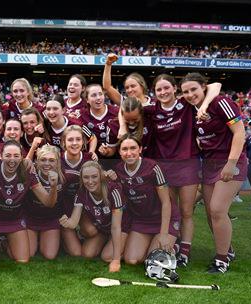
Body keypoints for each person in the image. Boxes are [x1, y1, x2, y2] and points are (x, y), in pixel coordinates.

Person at [150, 74, 220, 267]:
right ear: (154, 93)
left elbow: (215, 85)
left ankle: (185, 252)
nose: (163, 92)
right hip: (164, 167)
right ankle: (176, 245)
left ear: (175, 89)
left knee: (186, 211)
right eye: (159, 90)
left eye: (166, 88)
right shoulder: (152, 109)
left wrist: (204, 106)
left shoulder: (187, 104)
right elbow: (125, 107)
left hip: (187, 164)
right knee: (172, 211)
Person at [181, 73, 247, 273]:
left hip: (231, 162)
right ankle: (228, 250)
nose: (190, 94)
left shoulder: (220, 102)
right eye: (186, 91)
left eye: (194, 89)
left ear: (203, 87)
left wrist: (231, 163)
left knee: (218, 209)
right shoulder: (190, 111)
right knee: (211, 213)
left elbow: (240, 132)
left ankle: (221, 259)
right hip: (208, 165)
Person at [0, 140, 58, 263]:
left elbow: (48, 203)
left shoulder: (27, 171)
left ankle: (4, 242)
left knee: (23, 260)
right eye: (8, 155)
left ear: (22, 157)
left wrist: (53, 187)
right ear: (1, 156)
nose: (12, 160)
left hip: (14, 219)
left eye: (16, 156)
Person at [113, 134, 180, 265]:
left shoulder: (153, 167)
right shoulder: (118, 170)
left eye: (133, 148)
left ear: (140, 149)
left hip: (163, 219)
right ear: (119, 152)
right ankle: (152, 245)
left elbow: (166, 202)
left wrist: (164, 234)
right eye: (124, 149)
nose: (129, 153)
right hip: (141, 220)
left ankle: (174, 244)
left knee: (155, 261)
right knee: (131, 260)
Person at [60, 161, 124, 272]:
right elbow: (74, 222)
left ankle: (127, 244)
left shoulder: (113, 191)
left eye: (94, 177)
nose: (90, 181)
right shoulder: (81, 192)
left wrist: (116, 260)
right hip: (103, 229)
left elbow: (116, 227)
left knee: (107, 257)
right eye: (86, 177)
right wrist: (66, 222)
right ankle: (107, 241)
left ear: (101, 176)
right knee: (87, 254)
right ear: (81, 179)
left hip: (121, 228)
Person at [25, 144, 64, 260]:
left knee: (49, 255)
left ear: (57, 162)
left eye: (51, 160)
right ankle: (6, 240)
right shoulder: (31, 173)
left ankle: (49, 240)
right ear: (36, 161)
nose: (47, 164)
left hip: (50, 219)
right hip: (30, 219)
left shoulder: (64, 176)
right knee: (29, 254)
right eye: (43, 160)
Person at [60, 125, 94, 256]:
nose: (74, 143)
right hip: (61, 209)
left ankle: (79, 232)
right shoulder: (57, 159)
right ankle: (60, 234)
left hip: (82, 207)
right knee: (76, 253)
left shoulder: (90, 159)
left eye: (78, 139)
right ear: (63, 142)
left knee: (91, 231)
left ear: (83, 142)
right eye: (70, 140)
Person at [80, 84, 119, 162]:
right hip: (93, 160)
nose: (98, 98)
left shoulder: (116, 112)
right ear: (87, 99)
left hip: (116, 159)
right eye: (94, 95)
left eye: (100, 94)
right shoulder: (82, 115)